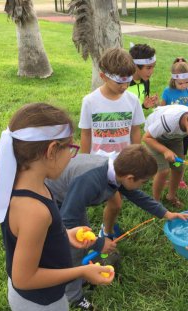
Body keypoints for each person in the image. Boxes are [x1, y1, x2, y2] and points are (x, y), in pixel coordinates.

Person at [0, 103, 114, 311]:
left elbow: (37, 236)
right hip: (40, 302)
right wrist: (81, 272)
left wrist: (65, 234)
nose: (73, 156)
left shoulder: (26, 182)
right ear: (52, 150)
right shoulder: (34, 211)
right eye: (71, 149)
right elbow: (24, 279)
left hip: (40, 296)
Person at [45, 144, 188, 310]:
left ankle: (80, 275)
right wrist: (100, 243)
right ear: (130, 178)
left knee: (84, 235)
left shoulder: (115, 170)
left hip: (71, 198)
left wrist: (166, 214)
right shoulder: (91, 180)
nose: (143, 185)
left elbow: (136, 195)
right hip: (54, 199)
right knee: (73, 247)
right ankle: (73, 297)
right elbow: (68, 221)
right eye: (143, 182)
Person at [79, 47, 146, 240]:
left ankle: (106, 227)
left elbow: (135, 130)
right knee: (115, 203)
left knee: (117, 199)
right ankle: (104, 232)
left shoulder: (132, 100)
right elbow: (86, 134)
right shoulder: (90, 101)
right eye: (119, 82)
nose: (124, 86)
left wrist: (137, 152)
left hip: (123, 161)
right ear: (103, 76)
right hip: (99, 162)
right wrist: (84, 161)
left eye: (128, 81)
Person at [142, 105, 188, 207]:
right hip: (154, 137)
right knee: (163, 171)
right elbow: (146, 138)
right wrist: (165, 151)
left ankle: (171, 196)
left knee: (178, 167)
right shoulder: (169, 120)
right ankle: (155, 203)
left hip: (174, 137)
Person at [160, 57, 188, 189]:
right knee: (169, 154)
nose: (184, 86)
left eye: (187, 82)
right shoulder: (167, 92)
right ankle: (166, 176)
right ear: (173, 80)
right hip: (170, 130)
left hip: (185, 130)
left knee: (182, 155)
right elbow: (161, 109)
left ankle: (178, 178)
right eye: (180, 83)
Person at [128, 43, 159, 110]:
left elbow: (140, 107)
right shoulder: (123, 84)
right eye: (148, 68)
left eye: (153, 67)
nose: (152, 71)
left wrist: (145, 105)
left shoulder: (146, 81)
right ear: (135, 65)